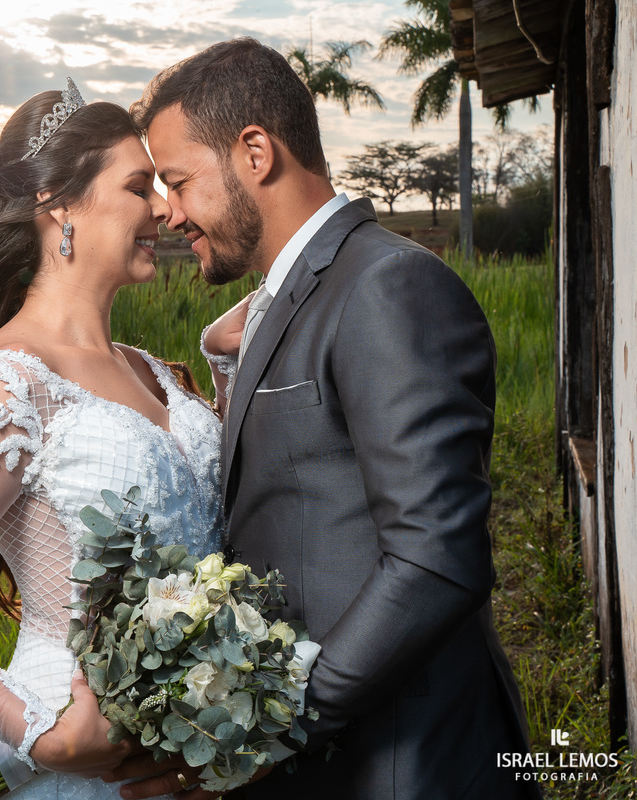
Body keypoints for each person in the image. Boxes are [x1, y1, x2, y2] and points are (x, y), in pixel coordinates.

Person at [107, 38, 539, 800]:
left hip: (405, 759)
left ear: (254, 153)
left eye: (177, 181)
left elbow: (437, 556)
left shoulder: (388, 287)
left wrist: (278, 723)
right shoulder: (288, 300)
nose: (167, 212)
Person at [0, 78, 225, 798]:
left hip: (193, 744)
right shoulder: (8, 386)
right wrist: (41, 736)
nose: (162, 207)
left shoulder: (147, 368)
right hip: (85, 744)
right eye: (137, 187)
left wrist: (230, 361)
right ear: (59, 204)